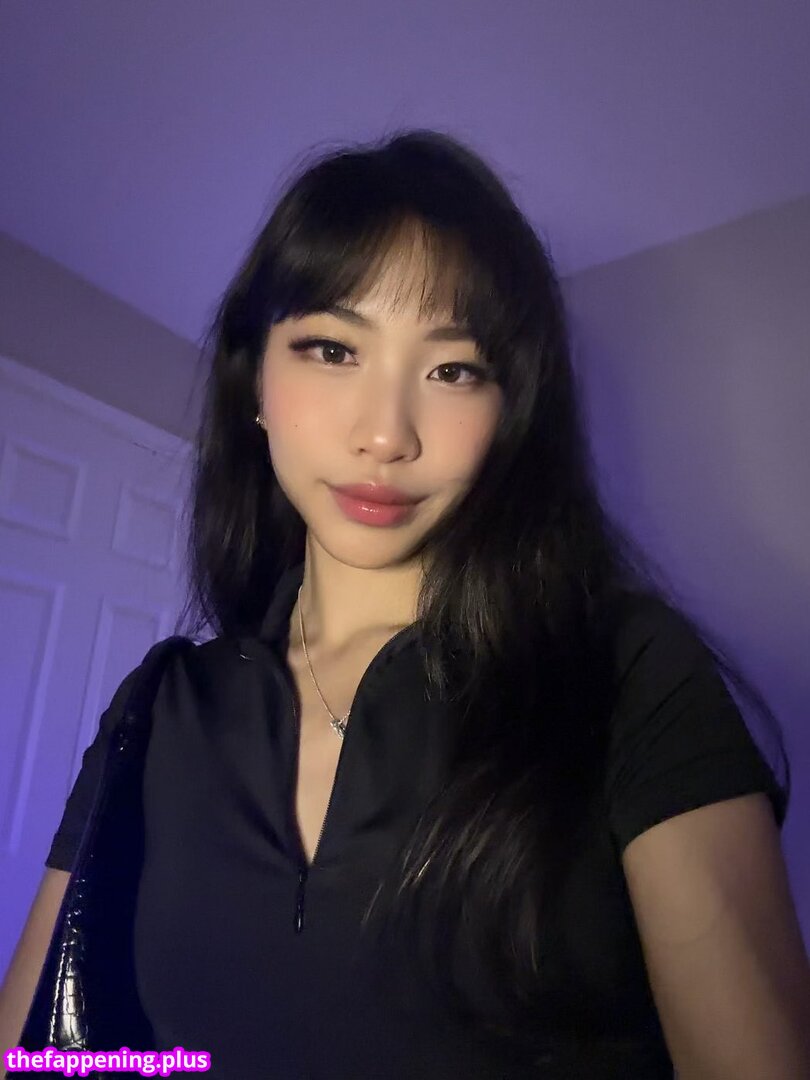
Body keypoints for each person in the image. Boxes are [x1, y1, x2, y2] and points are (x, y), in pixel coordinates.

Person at [2, 128, 809, 1079]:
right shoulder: (158, 708)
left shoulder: (626, 671)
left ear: (510, 413)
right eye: (332, 348)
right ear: (254, 380)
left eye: (453, 370)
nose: (386, 435)